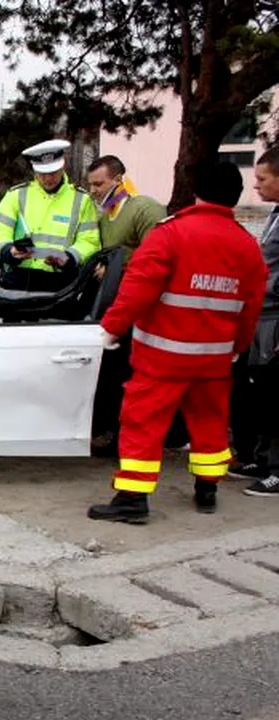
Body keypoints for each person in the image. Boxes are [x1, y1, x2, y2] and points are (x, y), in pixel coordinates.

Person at [88, 160, 268, 523]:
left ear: (196, 190)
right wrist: (237, 347)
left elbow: (138, 287)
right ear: (235, 196)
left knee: (142, 423)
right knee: (210, 422)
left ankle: (132, 498)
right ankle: (207, 489)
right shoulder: (247, 245)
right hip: (214, 359)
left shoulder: (171, 233)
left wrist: (111, 328)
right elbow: (251, 307)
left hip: (162, 356)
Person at [84, 156, 168, 457]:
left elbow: (158, 259)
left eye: (99, 184)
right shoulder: (104, 217)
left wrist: (117, 271)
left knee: (133, 377)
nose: (94, 190)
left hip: (142, 312)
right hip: (115, 308)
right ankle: (113, 432)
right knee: (113, 374)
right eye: (91, 184)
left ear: (118, 180)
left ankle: (132, 439)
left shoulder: (145, 209)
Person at [0, 139, 102, 300]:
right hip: (16, 284)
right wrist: (9, 251)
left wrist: (69, 258)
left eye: (53, 172)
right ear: (35, 171)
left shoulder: (82, 200)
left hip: (59, 287)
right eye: (43, 174)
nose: (48, 178)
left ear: (62, 167)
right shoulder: (16, 195)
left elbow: (90, 241)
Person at [233, 146, 279, 497]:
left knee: (274, 394)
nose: (256, 185)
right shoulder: (276, 214)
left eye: (262, 178)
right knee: (261, 394)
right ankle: (262, 460)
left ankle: (277, 470)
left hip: (275, 318)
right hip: (262, 315)